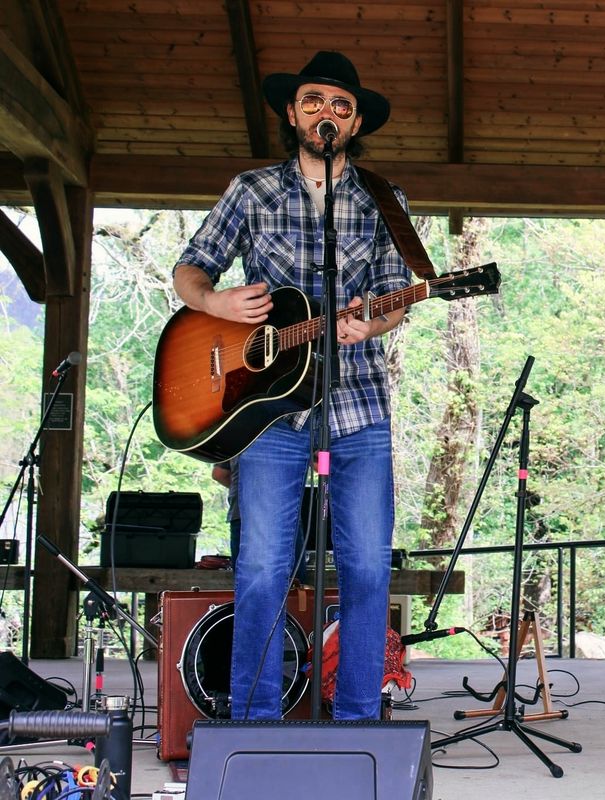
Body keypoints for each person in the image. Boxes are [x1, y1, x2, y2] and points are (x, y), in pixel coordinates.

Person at [172, 51, 410, 720]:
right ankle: (255, 722)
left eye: (339, 104)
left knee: (366, 569)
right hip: (265, 409)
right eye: (313, 101)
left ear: (355, 119)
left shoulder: (383, 199)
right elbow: (191, 270)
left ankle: (361, 719)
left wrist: (378, 320)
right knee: (261, 570)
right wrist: (215, 305)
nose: (324, 113)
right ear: (291, 111)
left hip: (357, 403)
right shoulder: (251, 190)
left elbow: (398, 297)